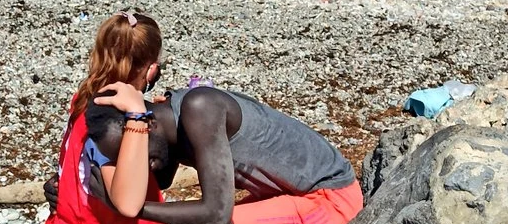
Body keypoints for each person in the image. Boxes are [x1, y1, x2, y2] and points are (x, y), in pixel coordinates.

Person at [76, 84, 364, 224]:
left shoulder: (200, 108)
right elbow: (160, 182)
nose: (147, 164)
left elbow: (216, 213)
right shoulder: (165, 122)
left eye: (141, 152)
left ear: (147, 123)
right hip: (286, 195)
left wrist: (130, 210)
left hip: (329, 197)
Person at [42, 12, 164, 224]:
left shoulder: (83, 97)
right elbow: (128, 204)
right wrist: (138, 115)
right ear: (152, 70)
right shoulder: (119, 119)